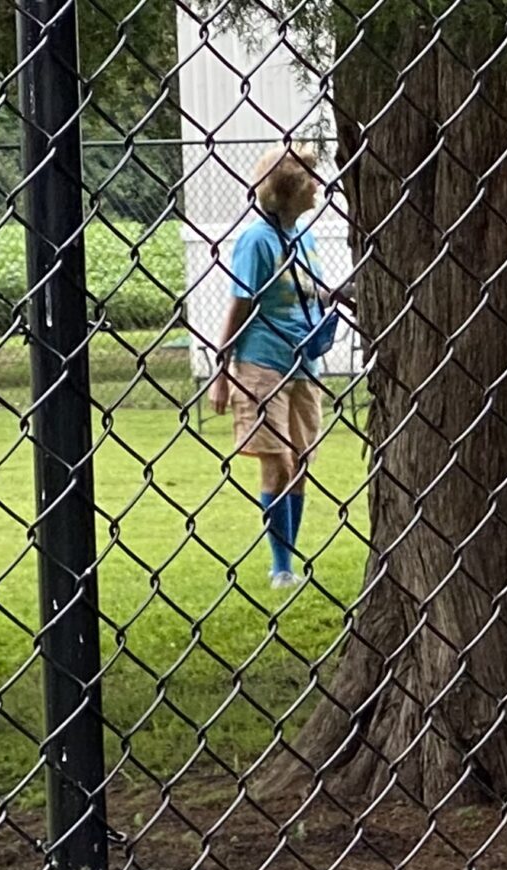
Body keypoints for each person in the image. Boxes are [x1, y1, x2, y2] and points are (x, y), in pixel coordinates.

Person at [206, 143, 347, 591]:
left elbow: (311, 292)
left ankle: (291, 559)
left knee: (301, 462)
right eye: (310, 179)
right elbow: (241, 305)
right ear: (289, 190)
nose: (318, 187)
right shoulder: (256, 241)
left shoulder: (303, 235)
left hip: (304, 361)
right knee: (279, 463)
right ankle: (280, 567)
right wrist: (222, 371)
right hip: (262, 362)